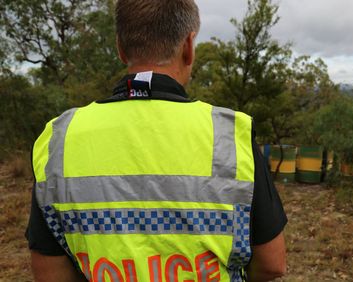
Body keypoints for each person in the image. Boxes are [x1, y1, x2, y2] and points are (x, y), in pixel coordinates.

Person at [25, 0, 287, 281]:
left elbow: (49, 274)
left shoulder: (59, 138)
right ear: (188, 47)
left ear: (120, 48)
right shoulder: (230, 135)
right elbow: (271, 263)